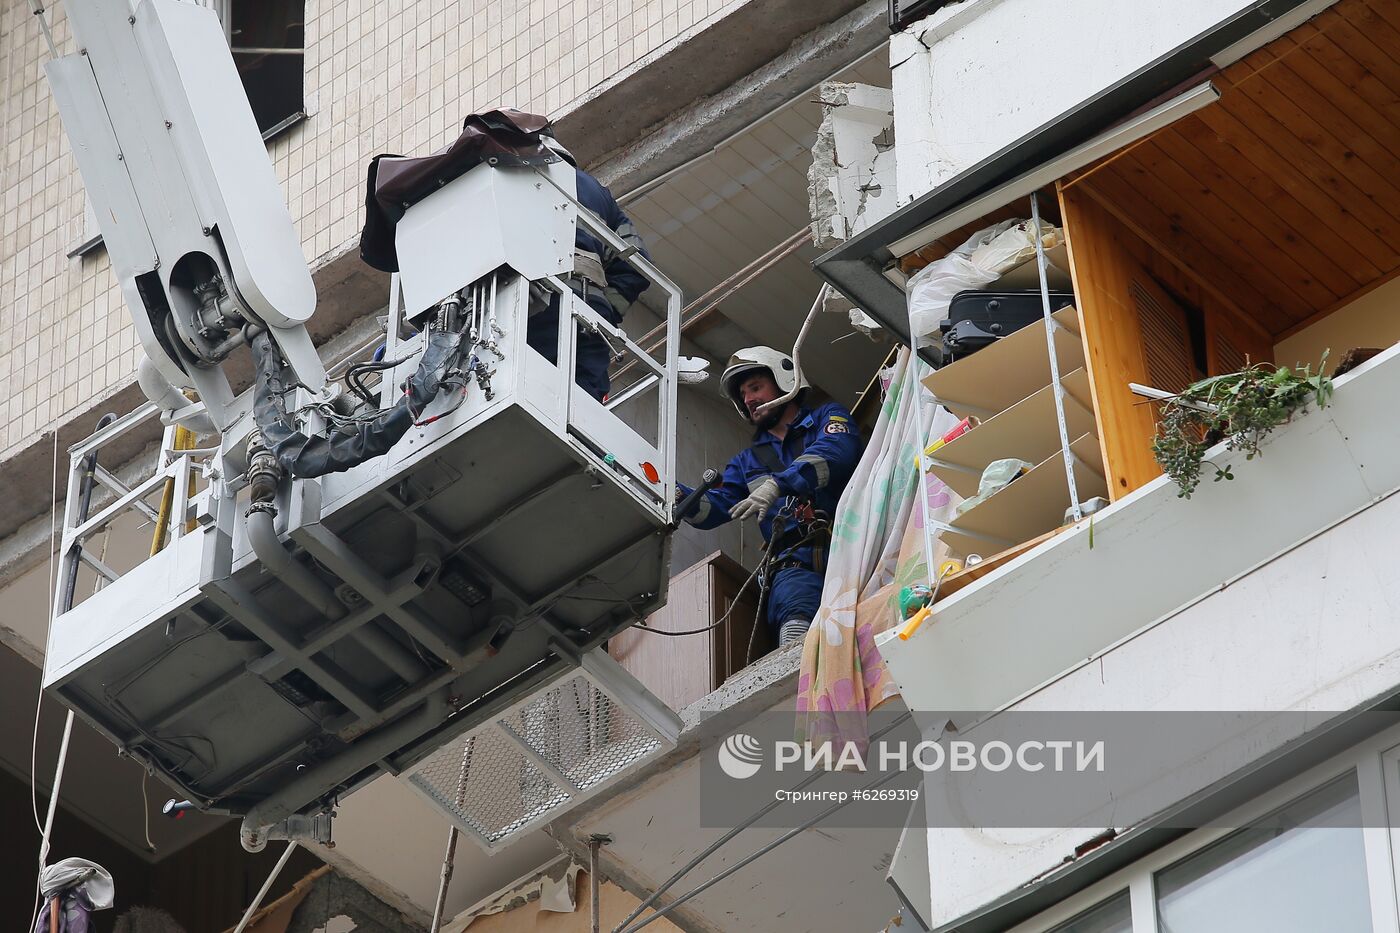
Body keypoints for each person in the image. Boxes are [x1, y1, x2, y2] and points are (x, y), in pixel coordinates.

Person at [677, 347, 863, 647]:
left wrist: (779, 484)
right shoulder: (745, 463)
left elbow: (836, 453)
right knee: (795, 634)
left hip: (854, 543)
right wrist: (672, 494)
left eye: (756, 387)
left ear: (785, 380)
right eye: (743, 394)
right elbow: (714, 509)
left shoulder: (828, 416)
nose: (749, 399)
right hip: (795, 565)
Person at [525, 129, 651, 402]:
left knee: (527, 389)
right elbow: (638, 264)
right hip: (590, 317)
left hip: (535, 303)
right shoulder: (598, 193)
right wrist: (606, 312)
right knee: (583, 404)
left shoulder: (521, 174)